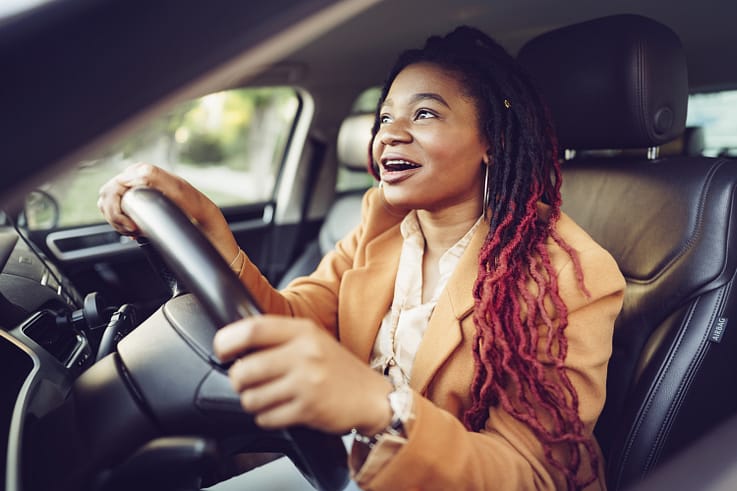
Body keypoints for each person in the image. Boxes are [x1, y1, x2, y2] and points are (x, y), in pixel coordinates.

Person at [99, 26, 625, 491]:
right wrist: (214, 233)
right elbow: (296, 317)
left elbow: (534, 476)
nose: (389, 134)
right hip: (347, 460)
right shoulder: (385, 222)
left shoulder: (564, 272)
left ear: (492, 140)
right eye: (385, 116)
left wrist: (382, 407)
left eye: (424, 113)